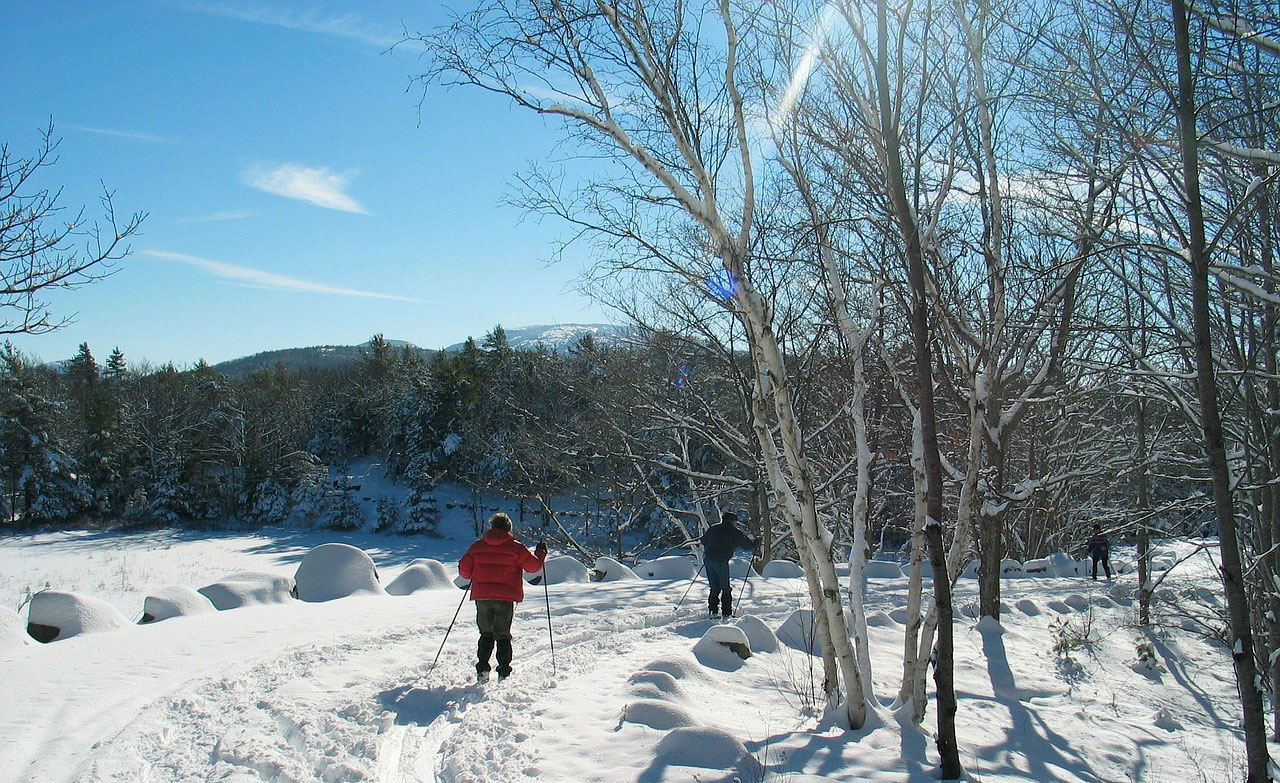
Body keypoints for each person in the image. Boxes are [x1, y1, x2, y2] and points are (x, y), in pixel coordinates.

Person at [458, 512, 547, 681]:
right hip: (505, 598)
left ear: (492, 527)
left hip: (482, 597)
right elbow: (533, 567)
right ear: (508, 528)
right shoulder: (515, 547)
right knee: (503, 634)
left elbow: (464, 571)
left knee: (486, 633)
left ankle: (482, 669)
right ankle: (503, 672)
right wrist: (541, 552)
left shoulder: (477, 547)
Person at [699, 511, 758, 618]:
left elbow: (703, 540)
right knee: (725, 587)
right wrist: (756, 542)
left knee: (714, 586)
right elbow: (747, 546)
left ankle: (713, 611)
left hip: (708, 558)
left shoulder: (713, 529)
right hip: (721, 560)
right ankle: (726, 612)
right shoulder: (734, 532)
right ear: (733, 521)